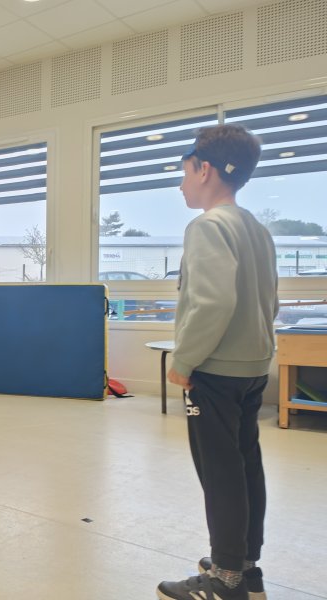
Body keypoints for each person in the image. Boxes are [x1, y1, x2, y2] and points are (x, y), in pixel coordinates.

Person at [157, 125, 277, 600]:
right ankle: (245, 566)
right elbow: (269, 300)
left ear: (204, 169)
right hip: (252, 367)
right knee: (245, 463)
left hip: (216, 370)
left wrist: (184, 360)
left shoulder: (207, 227)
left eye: (184, 172)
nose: (181, 183)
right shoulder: (256, 229)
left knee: (219, 470)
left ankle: (225, 579)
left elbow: (211, 304)